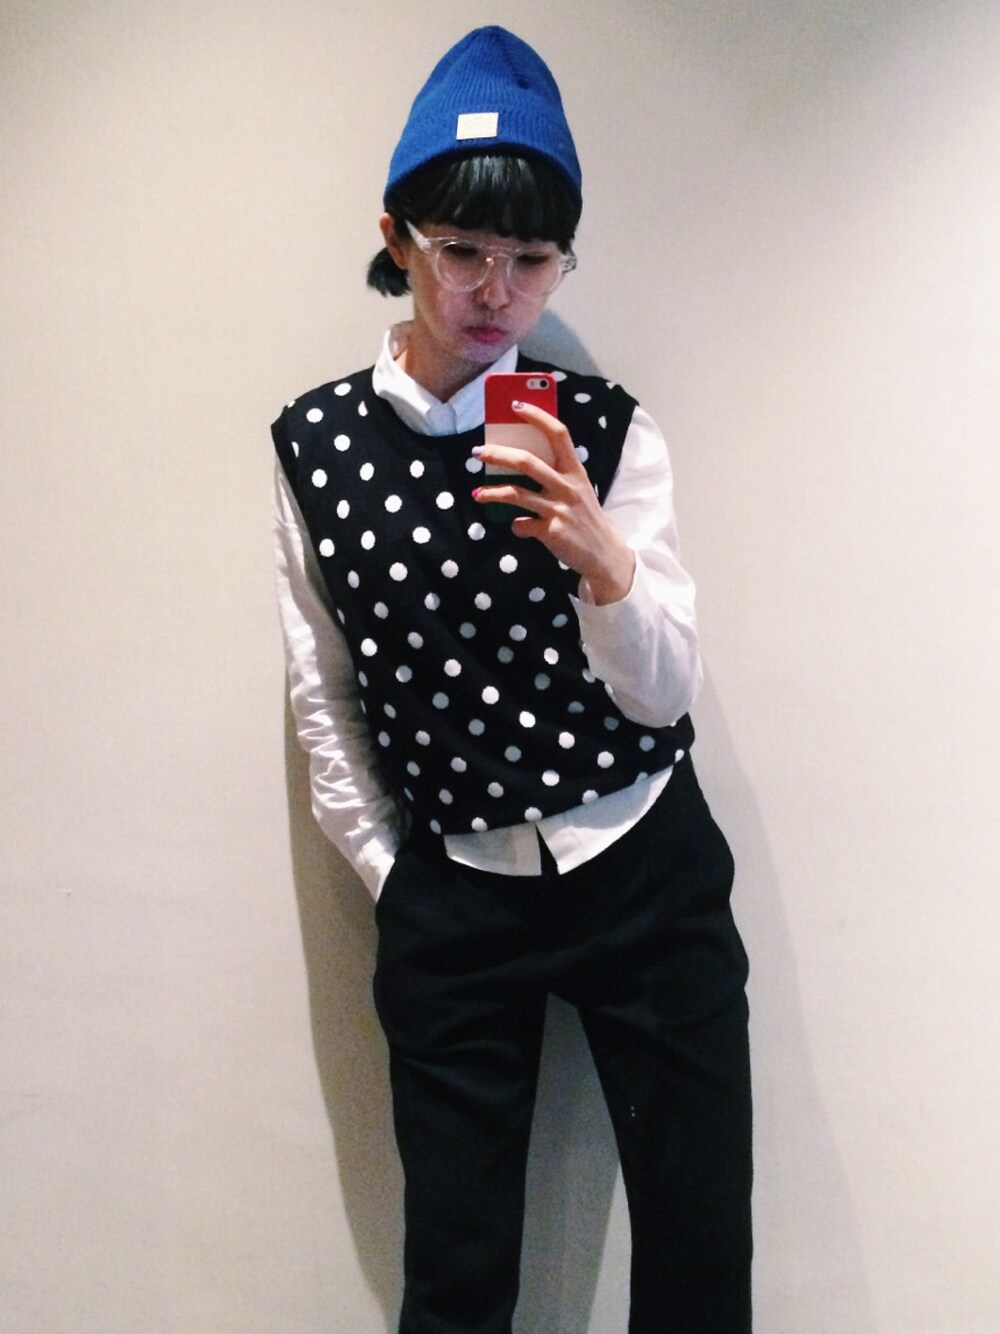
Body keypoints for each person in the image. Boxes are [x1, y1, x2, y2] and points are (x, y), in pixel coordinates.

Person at [272, 26, 751, 1334]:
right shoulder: (320, 444)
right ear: (398, 236)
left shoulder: (606, 429)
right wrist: (399, 878)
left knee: (701, 1257)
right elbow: (325, 692)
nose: (496, 291)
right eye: (463, 250)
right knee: (457, 1279)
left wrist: (600, 554)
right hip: (455, 898)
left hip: (643, 867)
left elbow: (662, 696)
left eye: (532, 259)